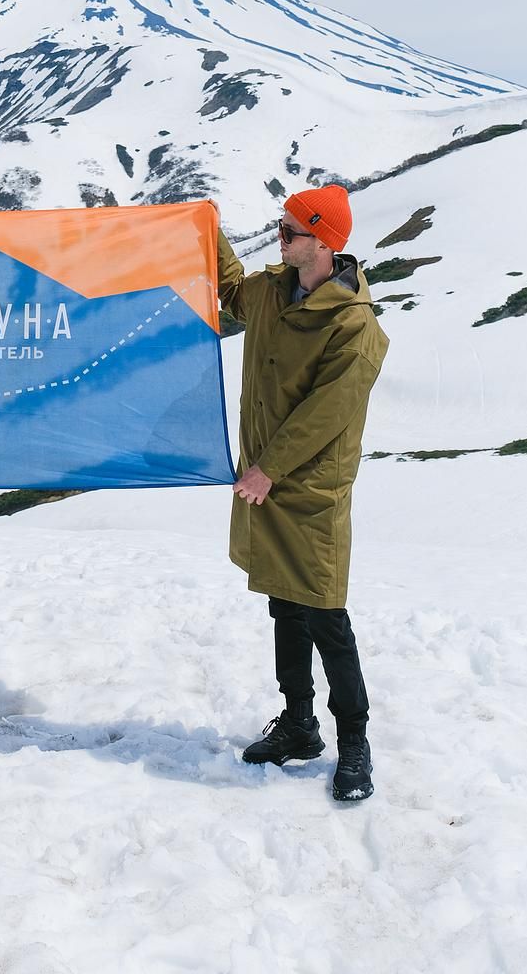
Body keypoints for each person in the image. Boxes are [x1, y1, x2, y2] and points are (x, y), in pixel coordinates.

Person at [217, 183, 388, 802]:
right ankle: (298, 725)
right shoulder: (269, 291)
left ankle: (355, 745)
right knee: (283, 603)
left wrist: (268, 468)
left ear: (324, 243)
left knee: (324, 614)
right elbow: (233, 293)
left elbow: (328, 412)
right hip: (264, 478)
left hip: (309, 487)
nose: (279, 238)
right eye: (279, 228)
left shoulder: (353, 326)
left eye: (289, 231)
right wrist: (208, 231)